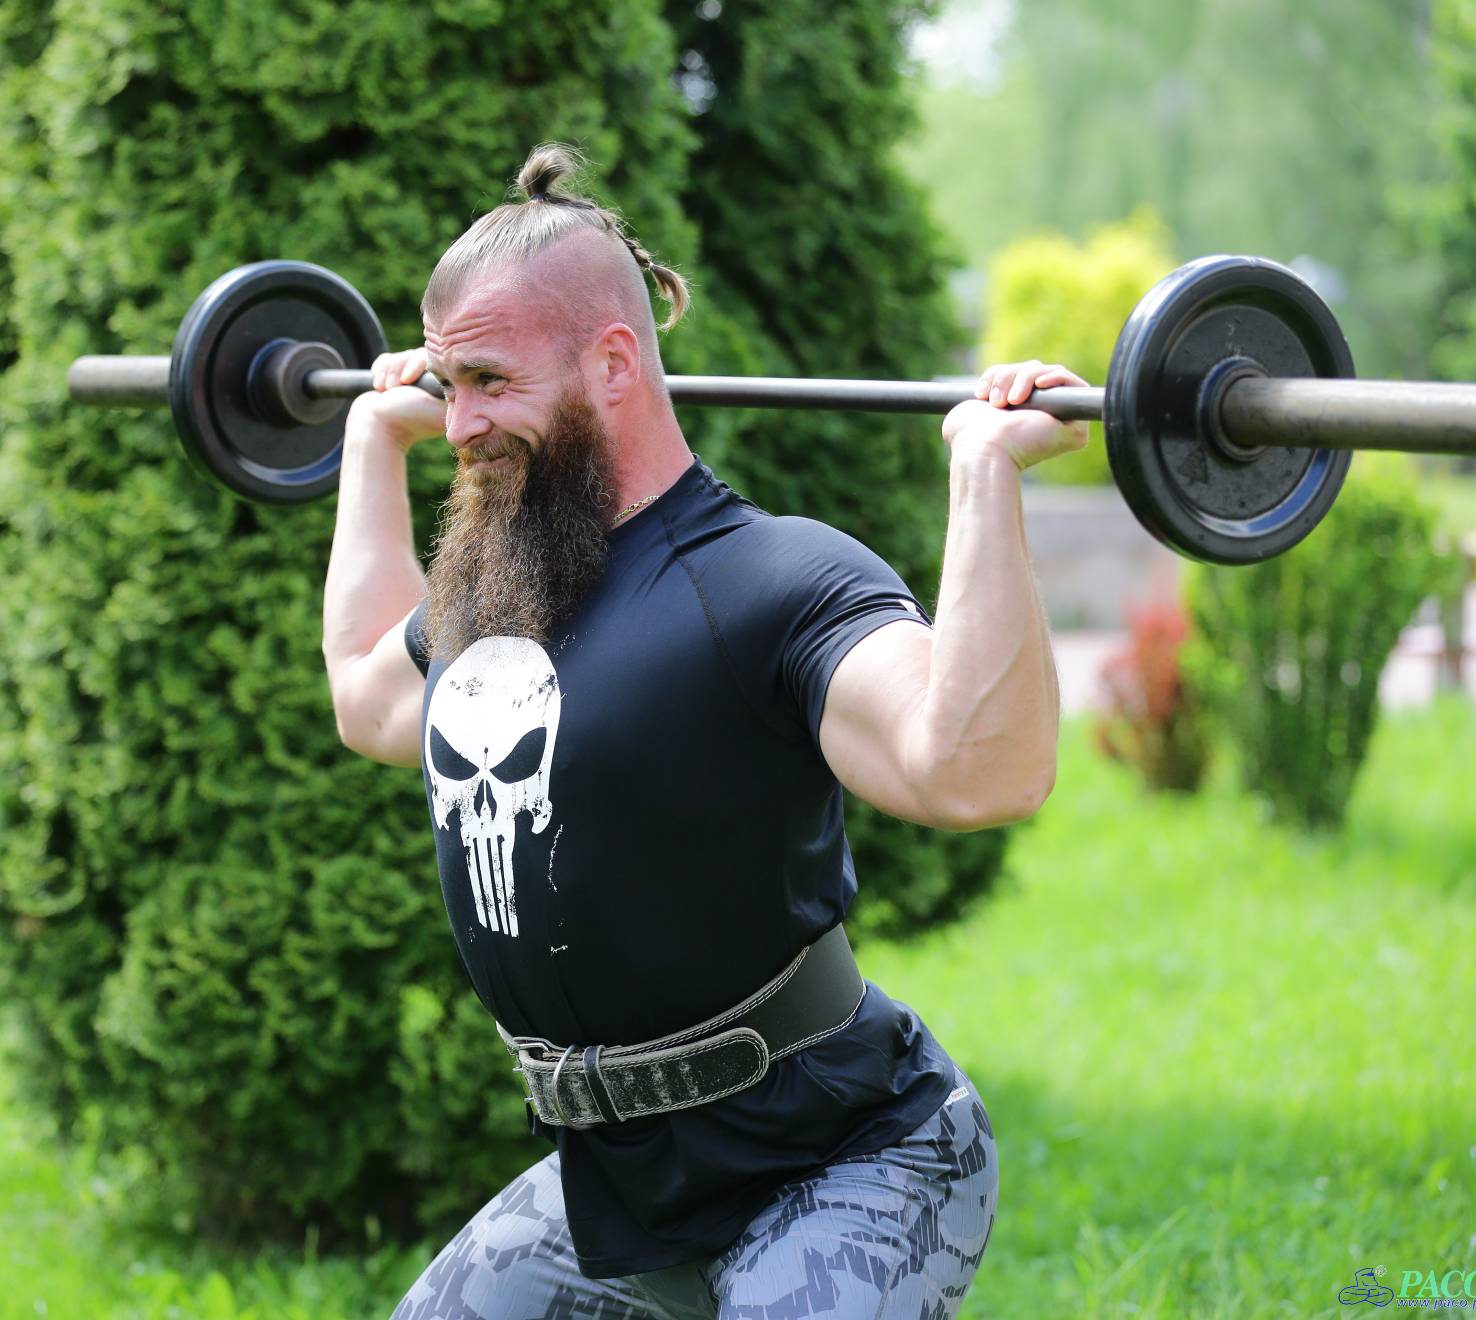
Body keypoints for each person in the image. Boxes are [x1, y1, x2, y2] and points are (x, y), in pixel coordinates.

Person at [321, 142, 1082, 1319]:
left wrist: (985, 473)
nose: (459, 422)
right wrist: (373, 443)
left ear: (614, 363)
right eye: (446, 380)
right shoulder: (499, 591)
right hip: (622, 1183)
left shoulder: (772, 582)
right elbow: (372, 703)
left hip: (843, 1158)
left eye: (490, 381)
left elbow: (978, 772)